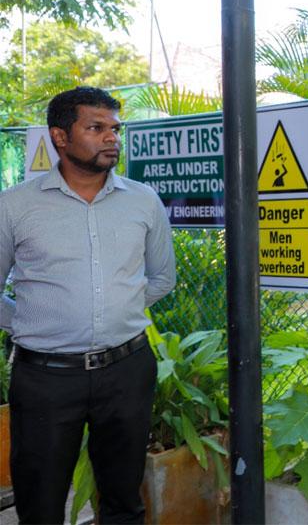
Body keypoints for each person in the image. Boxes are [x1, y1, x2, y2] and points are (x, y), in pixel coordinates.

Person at [0, 86, 176, 524]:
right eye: (95, 128)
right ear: (60, 137)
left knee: (123, 501)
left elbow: (162, 278)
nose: (111, 137)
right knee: (40, 502)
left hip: (126, 371)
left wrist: (121, 307)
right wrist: (26, 322)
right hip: (45, 378)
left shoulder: (142, 201)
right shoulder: (16, 206)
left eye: (114, 128)